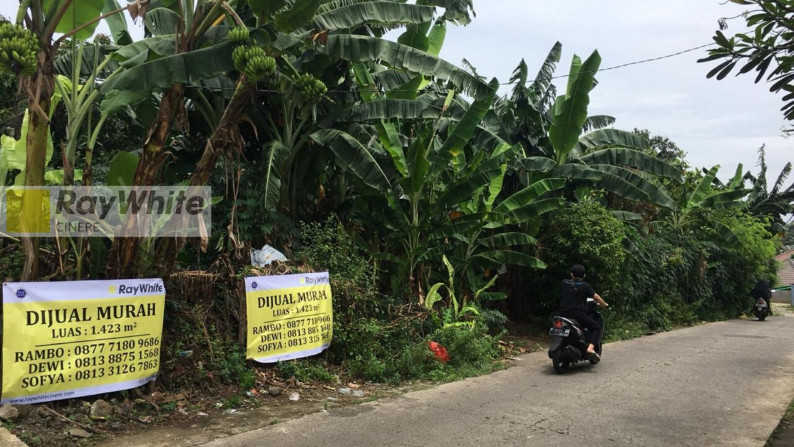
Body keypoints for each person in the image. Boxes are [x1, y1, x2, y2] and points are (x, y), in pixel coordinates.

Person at [558, 264, 609, 360]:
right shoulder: (585, 286)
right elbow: (596, 297)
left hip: (563, 313)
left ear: (571, 274)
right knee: (596, 328)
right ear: (584, 276)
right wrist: (604, 304)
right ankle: (590, 348)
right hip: (578, 314)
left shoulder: (564, 282)